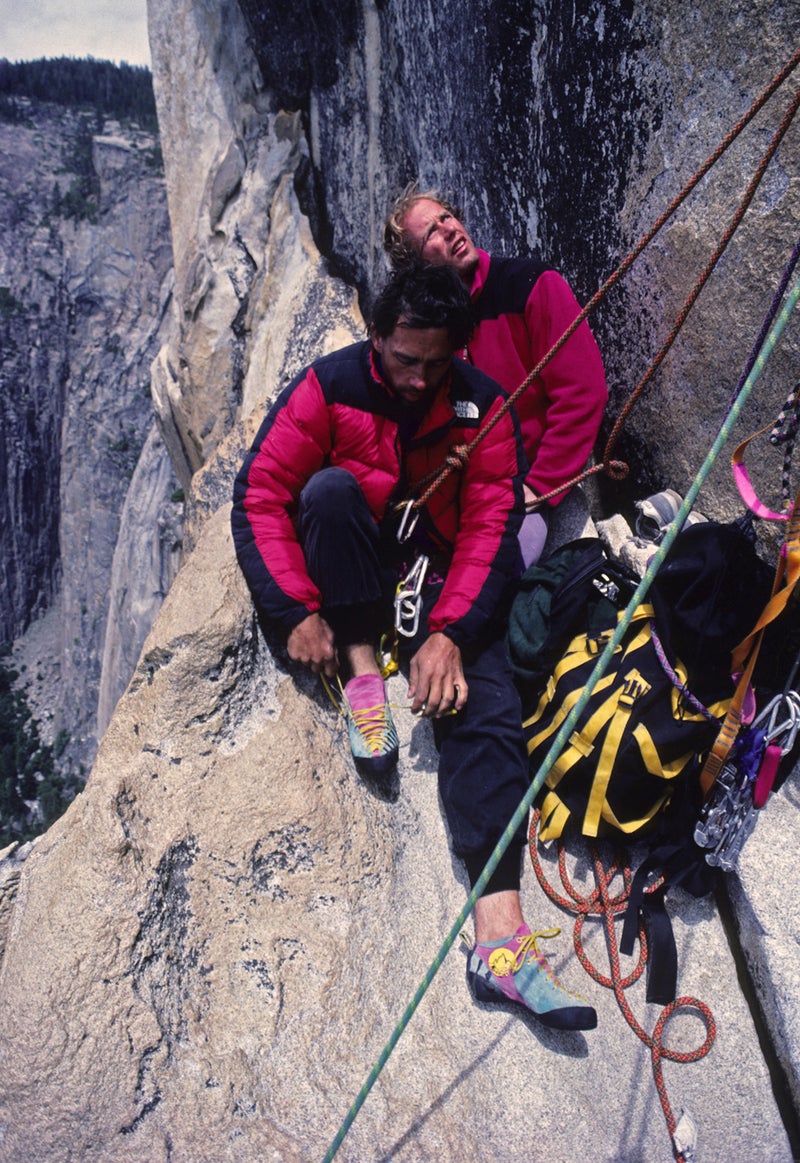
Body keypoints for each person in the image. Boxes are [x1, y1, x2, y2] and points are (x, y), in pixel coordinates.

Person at [231, 263, 596, 1030]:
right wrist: (294, 609)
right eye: (404, 359)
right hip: (354, 560)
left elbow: (492, 524)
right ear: (377, 338)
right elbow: (261, 492)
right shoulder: (328, 387)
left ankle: (498, 941)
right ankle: (363, 676)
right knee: (327, 493)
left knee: (488, 703)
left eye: (436, 362)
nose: (418, 377)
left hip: (434, 573)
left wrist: (452, 634)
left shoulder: (482, 406)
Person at [384, 184, 609, 569]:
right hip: (459, 496)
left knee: (493, 579)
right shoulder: (430, 333)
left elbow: (584, 393)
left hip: (526, 489)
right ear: (417, 267)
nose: (450, 229)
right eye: (431, 233)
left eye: (447, 218)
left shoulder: (531, 286)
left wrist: (537, 488)